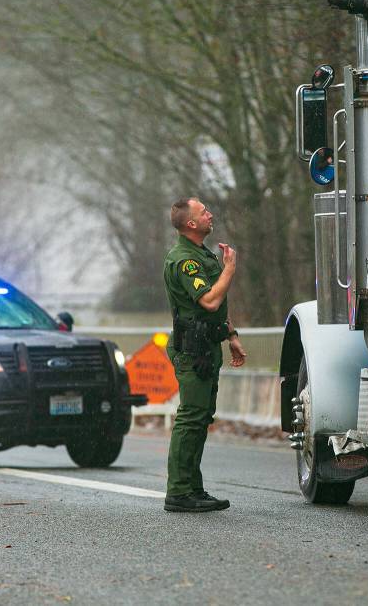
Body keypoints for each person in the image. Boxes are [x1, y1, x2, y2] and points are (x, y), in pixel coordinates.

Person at [162, 197, 247, 512]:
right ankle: (179, 492)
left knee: (200, 418)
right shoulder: (184, 260)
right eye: (203, 212)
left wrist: (231, 335)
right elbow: (209, 300)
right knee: (191, 417)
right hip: (192, 349)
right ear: (191, 224)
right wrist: (230, 269)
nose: (210, 215)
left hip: (208, 344)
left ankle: (193, 488)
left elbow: (217, 308)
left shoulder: (201, 254)